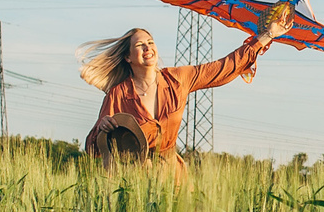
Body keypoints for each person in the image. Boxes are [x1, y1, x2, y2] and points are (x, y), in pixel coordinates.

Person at [79, 20, 276, 174]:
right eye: (140, 45)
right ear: (128, 57)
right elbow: (92, 148)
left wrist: (266, 36)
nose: (148, 48)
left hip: (173, 176)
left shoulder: (177, 79)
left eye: (150, 42)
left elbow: (221, 68)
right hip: (135, 179)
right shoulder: (118, 94)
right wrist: (102, 129)